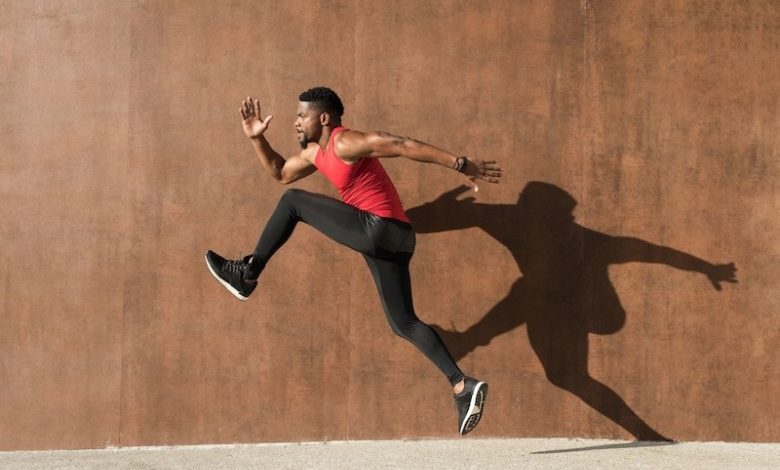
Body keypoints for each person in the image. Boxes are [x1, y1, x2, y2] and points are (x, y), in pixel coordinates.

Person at [205, 86, 502, 435]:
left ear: (324, 118)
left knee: (293, 202)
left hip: (380, 229)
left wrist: (461, 164)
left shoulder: (346, 142)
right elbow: (281, 172)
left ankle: (248, 273)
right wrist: (257, 139)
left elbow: (401, 145)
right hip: (396, 240)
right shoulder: (316, 153)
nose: (297, 121)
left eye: (303, 115)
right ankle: (461, 385)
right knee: (403, 323)